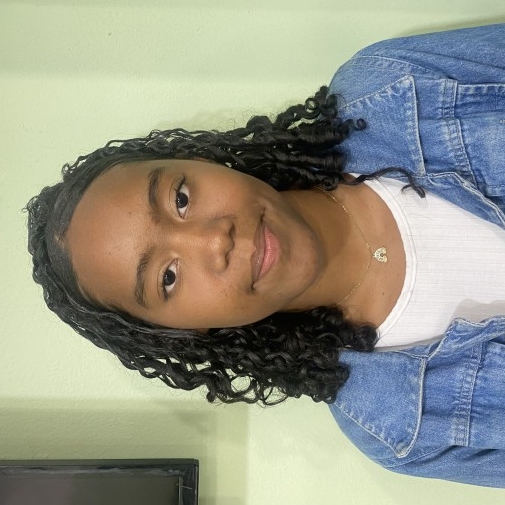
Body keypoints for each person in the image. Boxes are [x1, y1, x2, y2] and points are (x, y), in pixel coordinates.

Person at [26, 24, 505, 487]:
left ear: (201, 161)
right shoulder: (399, 426)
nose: (213, 241)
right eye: (167, 277)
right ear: (187, 332)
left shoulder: (392, 89)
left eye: (180, 198)